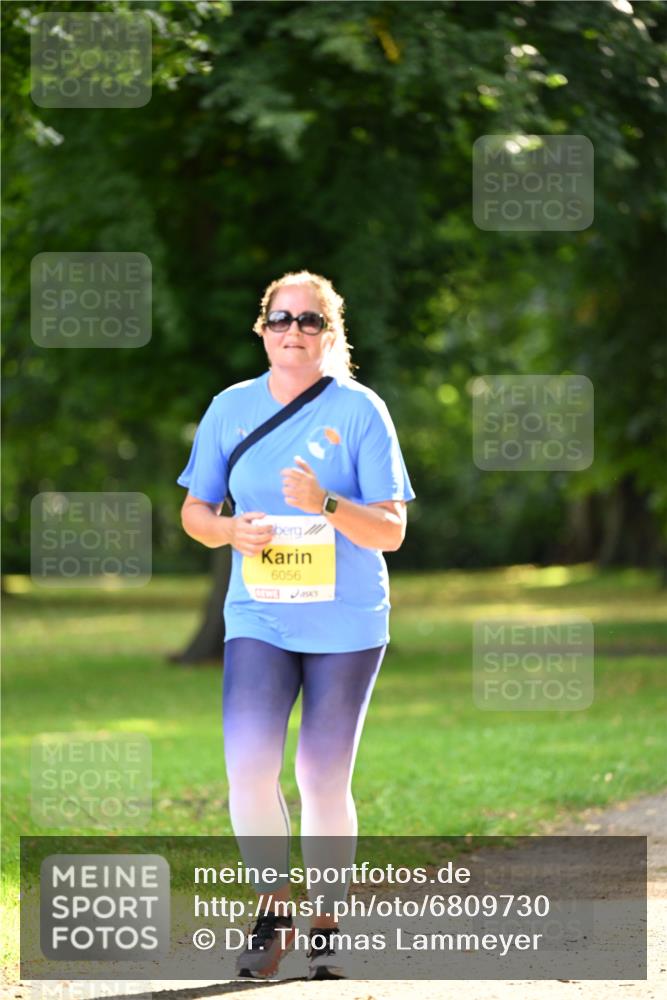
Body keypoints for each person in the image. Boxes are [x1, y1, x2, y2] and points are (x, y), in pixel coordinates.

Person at [177, 270, 415, 980]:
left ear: (329, 333)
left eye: (308, 321)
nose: (292, 331)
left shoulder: (362, 410)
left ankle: (328, 925)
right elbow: (195, 512)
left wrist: (326, 502)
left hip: (346, 621)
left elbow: (393, 531)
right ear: (261, 329)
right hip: (260, 615)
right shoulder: (229, 407)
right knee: (247, 764)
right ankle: (271, 914)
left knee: (320, 774)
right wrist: (228, 534)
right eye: (279, 319)